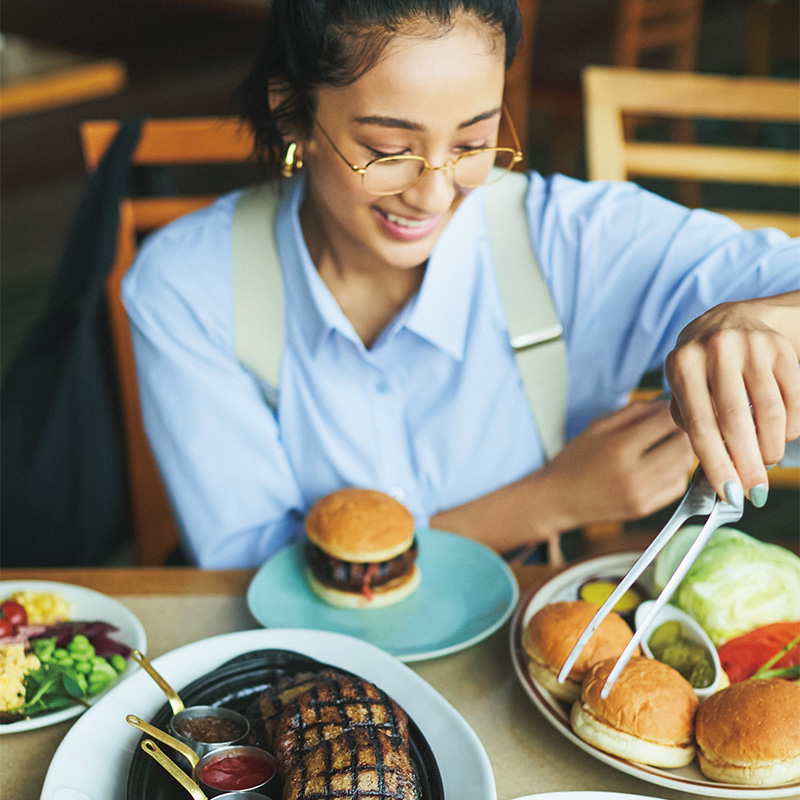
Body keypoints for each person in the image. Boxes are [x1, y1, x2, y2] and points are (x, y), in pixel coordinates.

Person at [121, 0, 799, 568]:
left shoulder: (573, 241)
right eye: (388, 151)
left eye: (473, 143)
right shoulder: (189, 286)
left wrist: (762, 323)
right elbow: (254, 578)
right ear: (291, 113)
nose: (434, 193)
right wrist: (549, 501)